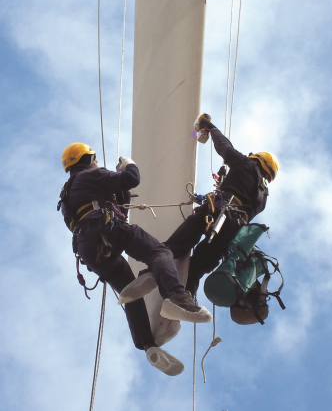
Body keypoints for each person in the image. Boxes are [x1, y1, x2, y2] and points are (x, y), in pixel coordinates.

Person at [58, 142, 212, 376]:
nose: (97, 163)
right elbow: (132, 178)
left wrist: (119, 194)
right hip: (107, 230)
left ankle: (148, 345)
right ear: (87, 160)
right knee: (160, 253)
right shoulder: (90, 175)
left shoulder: (68, 194)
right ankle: (177, 297)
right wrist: (127, 164)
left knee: (130, 294)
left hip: (90, 250)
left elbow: (118, 206)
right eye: (95, 159)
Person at [164, 115, 279, 297]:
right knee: (195, 270)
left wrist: (210, 127)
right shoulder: (263, 198)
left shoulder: (246, 164)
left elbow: (224, 147)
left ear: (256, 160)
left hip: (217, 210)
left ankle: (153, 269)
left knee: (174, 247)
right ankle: (184, 300)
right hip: (230, 233)